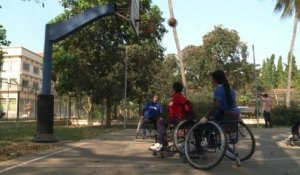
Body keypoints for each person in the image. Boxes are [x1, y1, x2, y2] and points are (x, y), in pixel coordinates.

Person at [149, 82, 193, 151]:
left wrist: (189, 116)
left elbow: (187, 103)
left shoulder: (177, 97)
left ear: (174, 89)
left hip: (177, 118)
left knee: (160, 122)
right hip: (175, 118)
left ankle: (160, 143)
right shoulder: (176, 97)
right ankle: (164, 143)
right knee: (163, 121)